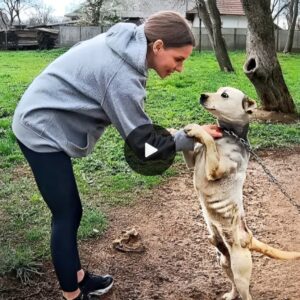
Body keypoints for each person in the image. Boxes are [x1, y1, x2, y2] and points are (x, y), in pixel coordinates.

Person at [12, 11, 222, 300]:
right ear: (158, 46)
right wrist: (188, 138)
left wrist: (176, 135)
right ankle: (73, 294)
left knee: (71, 210)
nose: (181, 68)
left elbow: (141, 130)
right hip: (39, 128)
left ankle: (79, 278)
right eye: (179, 59)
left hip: (42, 113)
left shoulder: (124, 43)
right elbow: (144, 148)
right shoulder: (121, 75)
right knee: (66, 213)